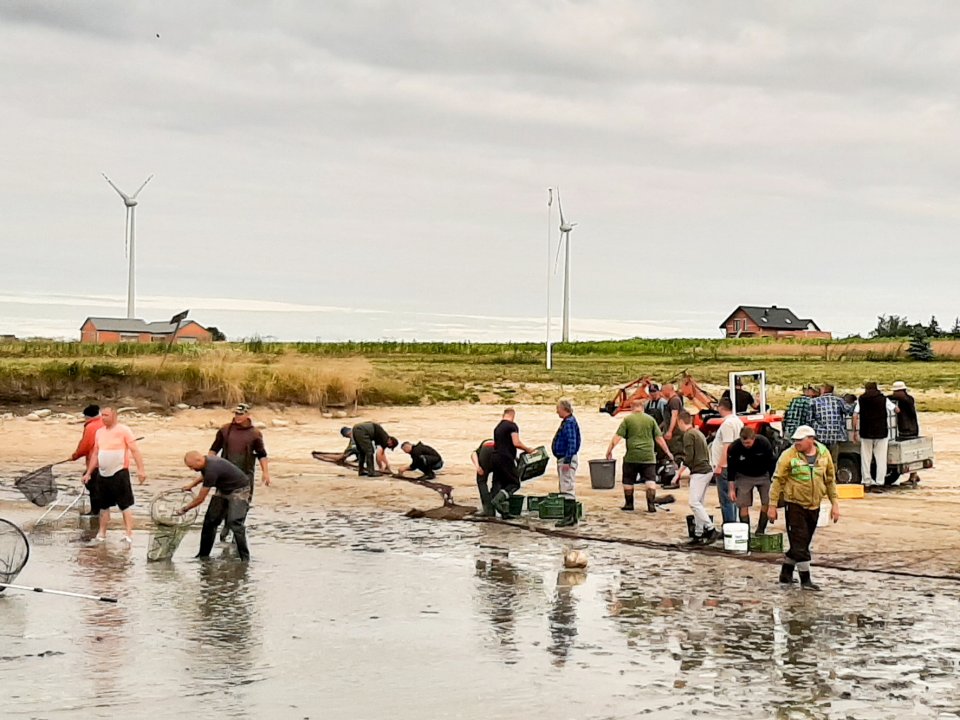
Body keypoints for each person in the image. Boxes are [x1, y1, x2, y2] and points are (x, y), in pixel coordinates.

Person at [768, 425, 840, 590]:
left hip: (814, 505)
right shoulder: (788, 455)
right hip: (794, 504)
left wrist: (834, 504)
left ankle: (786, 573)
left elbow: (830, 480)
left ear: (811, 440)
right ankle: (805, 580)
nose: (796, 443)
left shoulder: (824, 454)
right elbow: (777, 480)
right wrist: (772, 505)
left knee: (802, 541)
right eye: (795, 440)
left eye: (800, 440)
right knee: (800, 542)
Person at [82, 407, 146, 544]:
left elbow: (135, 450)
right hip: (103, 473)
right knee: (103, 506)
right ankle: (102, 533)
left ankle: (128, 533)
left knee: (125, 505)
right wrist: (88, 473)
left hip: (119, 472)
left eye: (106, 415)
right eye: (102, 415)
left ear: (114, 416)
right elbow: (95, 454)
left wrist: (141, 470)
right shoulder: (99, 432)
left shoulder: (123, 430)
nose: (103, 418)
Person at [209, 403, 271, 542]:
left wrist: (265, 472)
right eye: (236, 414)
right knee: (222, 501)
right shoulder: (225, 430)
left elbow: (262, 454)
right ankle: (226, 526)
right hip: (225, 474)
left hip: (245, 475)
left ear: (248, 415)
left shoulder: (255, 434)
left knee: (243, 504)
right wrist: (209, 466)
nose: (238, 417)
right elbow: (214, 449)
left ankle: (236, 529)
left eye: (241, 414)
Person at [180, 452, 253, 562]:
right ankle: (203, 556)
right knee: (209, 522)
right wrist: (191, 485)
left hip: (239, 490)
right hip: (223, 489)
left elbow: (200, 498)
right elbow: (203, 476)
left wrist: (185, 508)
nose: (191, 469)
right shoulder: (207, 463)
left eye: (191, 466)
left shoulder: (212, 469)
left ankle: (245, 559)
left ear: (198, 460)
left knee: (235, 523)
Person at [606, 399, 675, 513]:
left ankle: (629, 504)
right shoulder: (650, 420)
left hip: (632, 456)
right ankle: (651, 505)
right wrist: (668, 452)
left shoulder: (628, 420)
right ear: (642, 408)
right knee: (650, 480)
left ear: (632, 408)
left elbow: (617, 437)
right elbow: (659, 438)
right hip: (648, 457)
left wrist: (609, 450)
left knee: (628, 480)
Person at [676, 411, 719, 545]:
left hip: (699, 472)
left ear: (680, 422)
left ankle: (711, 529)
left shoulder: (688, 435)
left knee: (693, 503)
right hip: (707, 470)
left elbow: (689, 457)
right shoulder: (698, 432)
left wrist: (679, 473)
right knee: (699, 503)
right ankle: (698, 533)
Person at [727, 427, 776, 535]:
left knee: (767, 502)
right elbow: (731, 469)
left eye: (749, 443)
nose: (746, 445)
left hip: (763, 475)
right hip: (744, 476)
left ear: (754, 438)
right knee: (743, 504)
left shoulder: (764, 443)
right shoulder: (734, 447)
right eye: (744, 443)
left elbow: (772, 462)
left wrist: (773, 481)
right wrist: (731, 489)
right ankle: (746, 532)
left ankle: (761, 529)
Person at [490, 408, 534, 519]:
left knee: (499, 482)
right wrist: (528, 450)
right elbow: (516, 442)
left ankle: (502, 512)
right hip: (506, 458)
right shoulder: (512, 426)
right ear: (512, 415)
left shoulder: (497, 427)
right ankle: (497, 501)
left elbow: (501, 444)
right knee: (514, 483)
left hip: (495, 457)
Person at [852, 382, 896, 490]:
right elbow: (896, 409)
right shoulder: (883, 399)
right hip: (881, 432)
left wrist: (854, 431)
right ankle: (880, 483)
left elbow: (855, 415)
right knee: (881, 459)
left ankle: (866, 482)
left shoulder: (861, 399)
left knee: (866, 458)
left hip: (866, 432)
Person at [711, 398, 743, 524]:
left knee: (726, 499)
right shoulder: (738, 422)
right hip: (734, 464)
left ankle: (729, 525)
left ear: (720, 407)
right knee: (732, 497)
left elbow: (727, 445)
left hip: (726, 467)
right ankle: (732, 524)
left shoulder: (727, 424)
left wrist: (721, 465)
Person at [551, 399, 581, 528]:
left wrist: (567, 460)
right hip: (564, 458)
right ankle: (572, 517)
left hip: (566, 459)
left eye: (558, 408)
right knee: (566, 486)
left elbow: (572, 442)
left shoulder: (569, 423)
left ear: (564, 409)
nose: (556, 411)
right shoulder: (569, 421)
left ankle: (568, 517)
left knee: (566, 487)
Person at [70, 404, 103, 517]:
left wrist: (75, 456)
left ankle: (95, 512)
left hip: (96, 462)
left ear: (87, 417)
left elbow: (85, 446)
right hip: (111, 461)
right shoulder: (107, 423)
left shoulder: (90, 427)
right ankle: (101, 510)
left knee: (92, 485)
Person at [810, 384, 851, 463]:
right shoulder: (838, 400)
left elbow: (810, 418)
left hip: (820, 435)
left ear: (823, 390)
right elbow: (848, 411)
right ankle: (832, 474)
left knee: (820, 460)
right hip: (835, 435)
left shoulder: (814, 401)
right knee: (833, 461)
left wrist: (816, 427)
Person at [471, 439, 496, 516]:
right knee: (497, 481)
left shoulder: (485, 444)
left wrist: (478, 467)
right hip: (501, 455)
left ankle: (487, 510)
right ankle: (495, 504)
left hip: (486, 450)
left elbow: (473, 454)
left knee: (481, 481)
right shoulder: (504, 444)